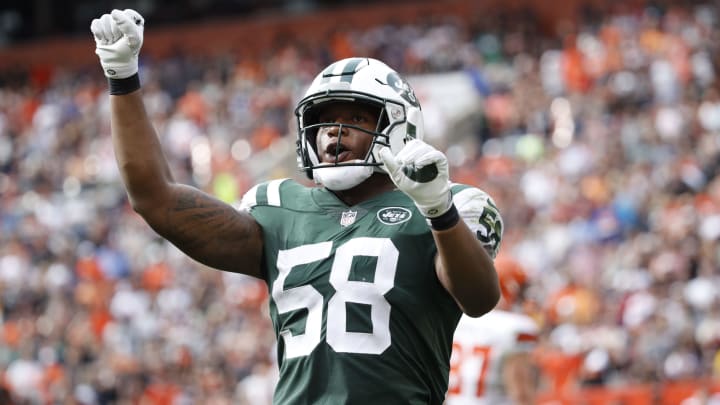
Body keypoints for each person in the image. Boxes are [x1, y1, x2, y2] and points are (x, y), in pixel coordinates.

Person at [91, 9, 504, 404]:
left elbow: (479, 298)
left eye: (356, 119)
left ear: (399, 126)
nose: (332, 135)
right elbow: (154, 198)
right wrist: (122, 77)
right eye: (323, 122)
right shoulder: (278, 208)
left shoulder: (449, 204)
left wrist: (438, 210)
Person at [446, 251, 539, 405]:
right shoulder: (517, 326)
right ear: (508, 286)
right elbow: (521, 392)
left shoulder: (458, 319)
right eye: (521, 289)